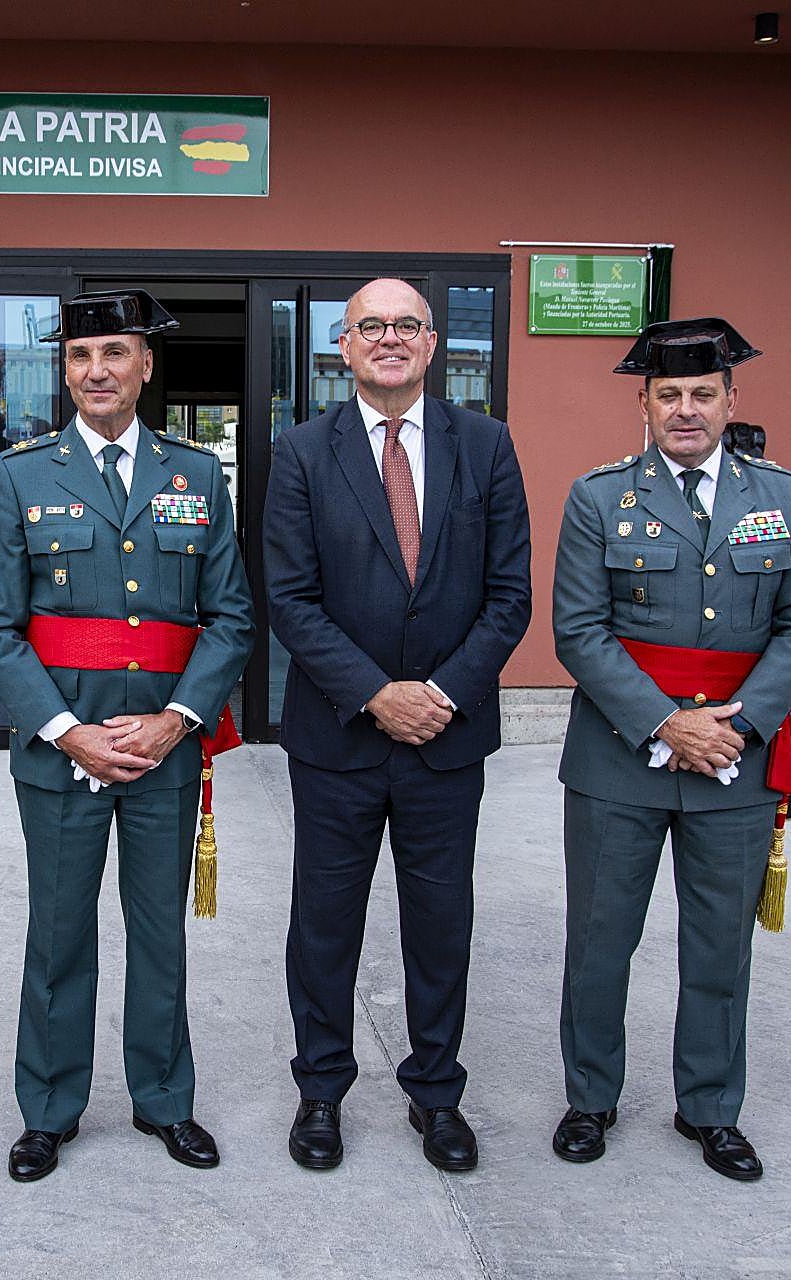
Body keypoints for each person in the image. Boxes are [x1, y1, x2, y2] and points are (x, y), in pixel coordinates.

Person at [0, 289, 254, 1183]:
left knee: (159, 932)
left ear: (145, 365)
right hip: (63, 753)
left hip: (166, 749)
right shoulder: (20, 474)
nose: (97, 371)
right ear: (66, 370)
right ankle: (49, 1109)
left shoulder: (198, 474)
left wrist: (177, 722)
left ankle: (164, 1100)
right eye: (81, 356)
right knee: (58, 936)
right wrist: (67, 733)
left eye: (115, 354)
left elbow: (232, 618)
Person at [262, 278, 532, 1174]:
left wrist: (441, 694)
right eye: (370, 326)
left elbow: (509, 597)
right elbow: (290, 600)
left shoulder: (487, 446)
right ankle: (321, 1091)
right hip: (339, 737)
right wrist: (378, 693)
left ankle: (436, 1094)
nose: (388, 338)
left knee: (440, 920)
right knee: (325, 922)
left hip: (447, 740)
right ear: (343, 347)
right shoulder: (301, 452)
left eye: (405, 325)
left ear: (433, 344)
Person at [550, 317, 791, 1182]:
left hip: (734, 762)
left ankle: (709, 1109)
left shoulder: (781, 496)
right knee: (600, 943)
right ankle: (590, 1098)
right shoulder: (600, 497)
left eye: (702, 394)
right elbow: (578, 630)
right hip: (618, 760)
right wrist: (669, 723)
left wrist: (734, 727)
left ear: (730, 400)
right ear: (644, 403)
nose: (685, 410)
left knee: (718, 947)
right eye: (668, 394)